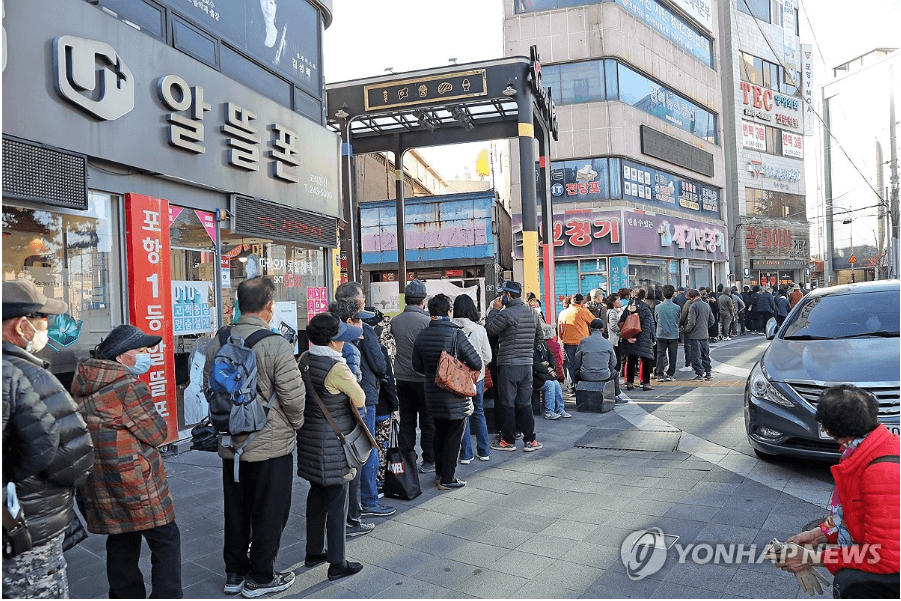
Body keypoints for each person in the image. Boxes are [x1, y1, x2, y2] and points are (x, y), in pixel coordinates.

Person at [203, 276, 306, 597]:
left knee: (236, 509)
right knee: (270, 510)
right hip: (270, 444)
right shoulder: (275, 343)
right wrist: (296, 424)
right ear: (269, 306)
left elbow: (211, 388)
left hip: (231, 442)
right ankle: (261, 577)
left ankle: (234, 574)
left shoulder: (219, 339)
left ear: (237, 304)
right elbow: (293, 397)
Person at [71, 325, 183, 598]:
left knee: (121, 539)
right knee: (166, 538)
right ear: (121, 357)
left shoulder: (84, 381)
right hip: (134, 480)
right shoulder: (128, 385)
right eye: (140, 350)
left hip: (99, 478)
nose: (146, 355)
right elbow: (156, 433)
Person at [1, 279, 94, 599]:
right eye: (43, 319)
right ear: (20, 325)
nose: (49, 326)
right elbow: (64, 456)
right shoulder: (20, 373)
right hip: (27, 529)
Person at [770, 385, 899, 598]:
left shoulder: (880, 472)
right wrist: (820, 534)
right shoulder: (864, 449)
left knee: (849, 582)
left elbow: (885, 557)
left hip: (892, 562)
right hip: (888, 546)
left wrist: (812, 557)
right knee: (814, 528)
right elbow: (851, 513)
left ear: (829, 430)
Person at [296, 313, 366, 582]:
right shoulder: (337, 367)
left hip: (310, 438)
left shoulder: (304, 359)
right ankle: (337, 562)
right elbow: (359, 399)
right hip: (334, 442)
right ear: (334, 342)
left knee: (316, 493)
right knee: (338, 499)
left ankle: (314, 551)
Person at [412, 294, 482, 489]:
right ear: (449, 311)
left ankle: (439, 474)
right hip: (455, 395)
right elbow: (476, 362)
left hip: (432, 394)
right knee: (453, 438)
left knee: (439, 434)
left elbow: (416, 365)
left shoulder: (422, 334)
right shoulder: (456, 334)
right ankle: (447, 479)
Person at [485, 281, 544, 452]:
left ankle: (508, 440)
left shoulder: (505, 314)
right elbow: (539, 338)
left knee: (507, 402)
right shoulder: (533, 312)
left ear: (508, 295)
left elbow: (490, 329)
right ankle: (530, 440)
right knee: (525, 402)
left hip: (508, 365)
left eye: (502, 294)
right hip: (527, 364)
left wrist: (495, 310)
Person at [390, 280, 435, 474]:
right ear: (423, 300)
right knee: (427, 422)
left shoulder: (395, 321)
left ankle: (407, 458)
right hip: (424, 379)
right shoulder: (427, 322)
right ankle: (429, 460)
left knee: (407, 421)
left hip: (402, 378)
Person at [451, 294, 492, 463]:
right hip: (477, 377)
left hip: (457, 379)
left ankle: (466, 454)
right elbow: (487, 356)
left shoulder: (451, 329)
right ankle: (484, 451)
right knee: (479, 412)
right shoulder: (479, 329)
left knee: (463, 414)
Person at [618, 289, 656, 391]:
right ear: (643, 297)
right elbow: (649, 325)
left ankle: (629, 382)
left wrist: (628, 336)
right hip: (643, 338)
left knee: (630, 359)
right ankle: (645, 383)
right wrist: (653, 338)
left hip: (630, 337)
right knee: (644, 359)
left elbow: (621, 322)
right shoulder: (645, 308)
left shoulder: (628, 308)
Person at [558, 293, 595, 389]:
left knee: (570, 365)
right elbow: (594, 322)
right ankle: (582, 385)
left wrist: (562, 339)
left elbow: (560, 330)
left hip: (568, 342)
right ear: (582, 301)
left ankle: (571, 386)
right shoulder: (583, 311)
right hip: (582, 342)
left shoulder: (563, 313)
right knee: (583, 364)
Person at [573, 319, 617, 394]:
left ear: (590, 329)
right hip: (604, 375)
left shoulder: (583, 341)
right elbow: (613, 362)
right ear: (602, 330)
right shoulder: (608, 343)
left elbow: (577, 360)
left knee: (575, 373)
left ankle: (579, 394)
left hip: (586, 375)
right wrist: (607, 369)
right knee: (615, 373)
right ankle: (615, 396)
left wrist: (579, 369)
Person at [536, 323, 568, 419]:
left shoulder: (544, 345)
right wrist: (547, 369)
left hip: (545, 374)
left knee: (556, 383)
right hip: (537, 376)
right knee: (550, 384)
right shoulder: (533, 346)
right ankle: (549, 412)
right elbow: (534, 364)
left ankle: (560, 409)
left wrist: (550, 368)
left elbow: (552, 360)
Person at [684, 289, 715, 381]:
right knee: (705, 354)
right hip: (705, 334)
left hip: (695, 335)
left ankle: (699, 373)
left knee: (696, 355)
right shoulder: (706, 305)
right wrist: (705, 326)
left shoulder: (693, 306)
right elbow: (712, 320)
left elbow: (691, 322)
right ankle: (708, 372)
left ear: (693, 298)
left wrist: (687, 330)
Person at [654, 285, 680, 381]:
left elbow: (656, 319)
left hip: (661, 333)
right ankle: (670, 374)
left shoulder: (658, 307)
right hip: (673, 333)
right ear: (673, 294)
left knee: (660, 354)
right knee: (673, 354)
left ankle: (659, 373)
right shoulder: (677, 307)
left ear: (663, 294)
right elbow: (678, 320)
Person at [604, 294, 625, 403]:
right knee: (615, 363)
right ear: (613, 302)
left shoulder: (617, 310)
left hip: (616, 340)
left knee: (617, 362)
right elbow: (613, 326)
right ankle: (614, 390)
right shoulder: (612, 312)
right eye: (618, 300)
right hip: (614, 341)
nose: (620, 301)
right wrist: (622, 333)